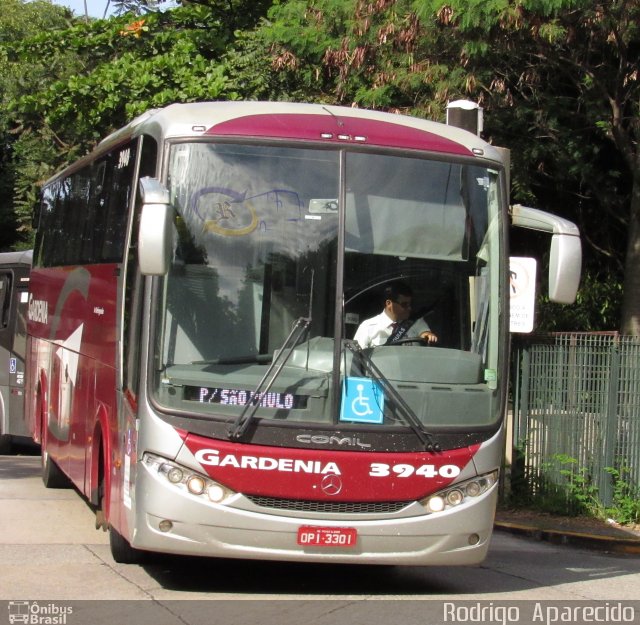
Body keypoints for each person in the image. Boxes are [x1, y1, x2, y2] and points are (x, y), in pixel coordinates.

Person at [353, 281, 438, 348]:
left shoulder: (416, 322)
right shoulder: (368, 327)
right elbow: (356, 359)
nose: (409, 308)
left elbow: (425, 333)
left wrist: (428, 335)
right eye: (404, 304)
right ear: (389, 304)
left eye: (410, 304)